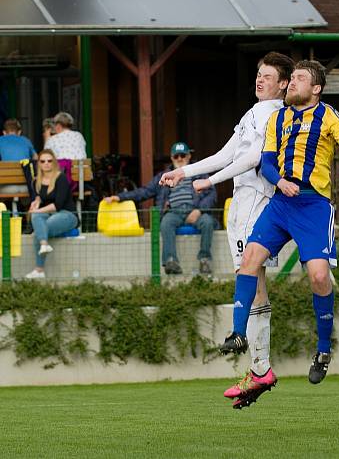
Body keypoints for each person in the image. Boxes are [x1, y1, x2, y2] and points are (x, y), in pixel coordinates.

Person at [159, 52, 294, 408]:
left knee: (249, 272)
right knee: (255, 280)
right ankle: (260, 368)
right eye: (258, 74)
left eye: (268, 76)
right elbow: (225, 154)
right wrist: (184, 174)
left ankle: (260, 366)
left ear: (283, 83)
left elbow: (254, 159)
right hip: (241, 201)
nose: (260, 80)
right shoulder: (252, 112)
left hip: (258, 201)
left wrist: (210, 182)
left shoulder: (278, 114)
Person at [220, 59, 339, 388]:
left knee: (318, 276)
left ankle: (323, 350)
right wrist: (279, 182)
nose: (292, 83)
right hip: (282, 202)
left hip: (313, 205)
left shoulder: (328, 115)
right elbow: (267, 163)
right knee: (249, 262)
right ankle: (238, 333)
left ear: (316, 88)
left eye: (299, 78)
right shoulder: (278, 117)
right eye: (292, 77)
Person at [104, 142, 216, 275]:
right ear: (171, 158)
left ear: (189, 156)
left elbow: (212, 193)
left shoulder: (199, 172)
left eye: (183, 155)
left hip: (195, 211)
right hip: (174, 212)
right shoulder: (163, 176)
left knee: (208, 222)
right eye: (176, 156)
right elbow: (144, 192)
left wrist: (199, 210)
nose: (180, 159)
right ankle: (170, 261)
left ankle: (205, 260)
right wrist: (119, 197)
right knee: (165, 223)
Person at [24, 149, 79, 279]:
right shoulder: (36, 181)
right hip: (49, 214)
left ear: (54, 162)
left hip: (67, 215)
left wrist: (37, 210)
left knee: (41, 226)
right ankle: (44, 245)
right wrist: (36, 201)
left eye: (50, 161)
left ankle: (39, 269)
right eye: (43, 161)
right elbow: (41, 197)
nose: (46, 164)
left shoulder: (61, 178)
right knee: (37, 218)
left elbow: (57, 205)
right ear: (39, 164)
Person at [0, 118, 37, 198]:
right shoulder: (26, 140)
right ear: (19, 132)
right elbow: (36, 158)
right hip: (26, 187)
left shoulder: (1, 140)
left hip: (6, 187)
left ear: (4, 132)